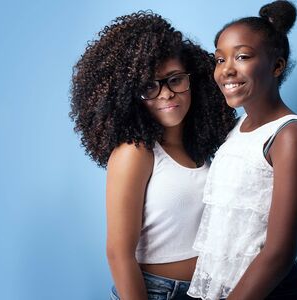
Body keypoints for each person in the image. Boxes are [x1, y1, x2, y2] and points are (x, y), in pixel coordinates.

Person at [69, 12, 236, 300]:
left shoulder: (198, 149)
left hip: (208, 290)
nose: (166, 93)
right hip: (157, 293)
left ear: (192, 80)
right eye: (150, 86)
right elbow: (119, 254)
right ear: (127, 95)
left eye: (175, 79)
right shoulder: (134, 153)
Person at [188, 1, 297, 299]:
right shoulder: (238, 128)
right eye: (219, 60)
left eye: (242, 56)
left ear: (276, 66)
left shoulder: (290, 136)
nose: (226, 70)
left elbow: (279, 253)